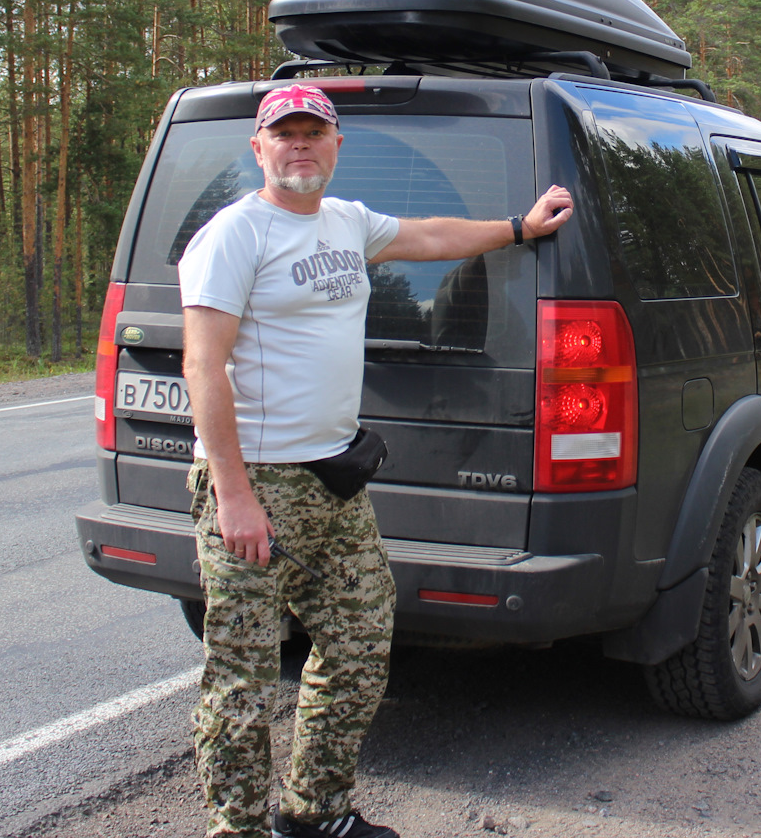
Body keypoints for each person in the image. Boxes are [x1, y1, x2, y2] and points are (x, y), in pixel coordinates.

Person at [179, 83, 573, 838]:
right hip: (254, 484)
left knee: (361, 642)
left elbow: (429, 237)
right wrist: (233, 496)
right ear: (258, 148)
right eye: (283, 134)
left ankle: (315, 811)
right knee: (243, 681)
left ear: (335, 146)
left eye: (312, 133)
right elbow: (204, 368)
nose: (299, 145)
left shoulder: (346, 223)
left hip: (332, 483)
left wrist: (518, 229)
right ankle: (238, 829)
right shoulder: (234, 235)